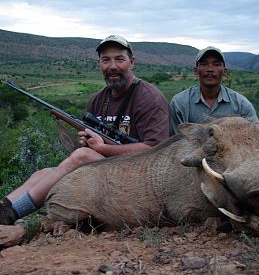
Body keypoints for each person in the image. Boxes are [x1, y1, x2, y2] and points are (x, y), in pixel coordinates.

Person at [0, 35, 171, 225]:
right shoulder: (97, 100)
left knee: (82, 156)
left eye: (119, 59)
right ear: (99, 64)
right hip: (107, 174)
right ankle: (4, 206)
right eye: (106, 60)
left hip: (141, 179)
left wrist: (101, 148)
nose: (112, 66)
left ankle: (13, 214)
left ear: (132, 62)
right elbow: (92, 144)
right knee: (44, 174)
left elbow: (156, 149)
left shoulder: (150, 98)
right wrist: (86, 141)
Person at [170, 46, 259, 168]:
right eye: (204, 64)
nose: (210, 69)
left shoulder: (241, 103)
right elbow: (177, 145)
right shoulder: (179, 102)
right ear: (196, 71)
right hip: (193, 166)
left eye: (216, 64)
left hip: (237, 164)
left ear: (224, 71)